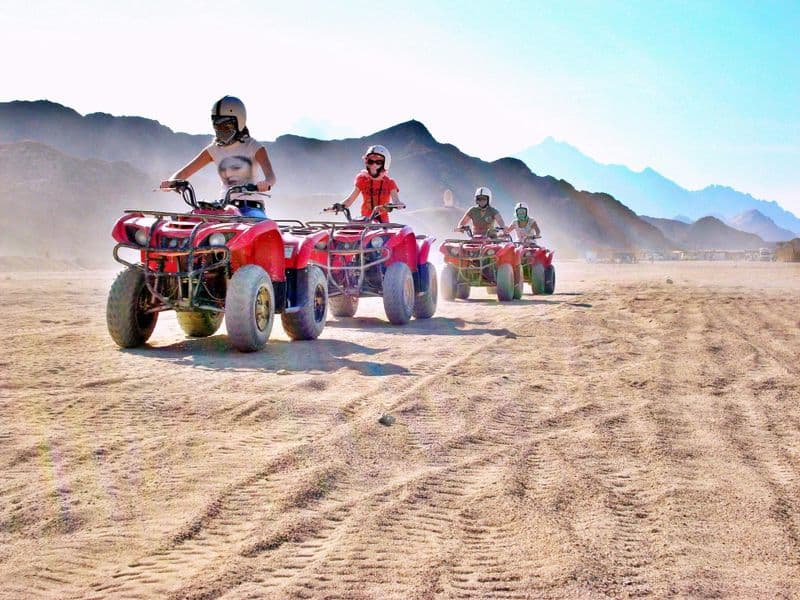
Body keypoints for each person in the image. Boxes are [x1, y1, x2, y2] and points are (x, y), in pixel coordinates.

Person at [160, 96, 276, 217]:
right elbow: (184, 172)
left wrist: (266, 183)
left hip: (251, 207)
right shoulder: (214, 149)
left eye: (226, 126)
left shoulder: (254, 146)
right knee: (188, 220)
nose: (221, 131)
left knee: (257, 226)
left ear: (239, 122)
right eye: (217, 126)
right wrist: (172, 182)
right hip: (225, 207)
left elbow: (271, 176)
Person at [332, 145, 405, 223]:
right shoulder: (362, 179)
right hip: (365, 221)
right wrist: (338, 206)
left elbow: (396, 201)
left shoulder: (390, 182)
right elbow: (350, 200)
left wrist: (398, 205)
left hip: (383, 223)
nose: (374, 165)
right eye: (370, 161)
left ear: (385, 163)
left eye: (378, 162)